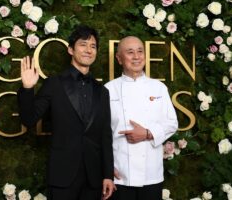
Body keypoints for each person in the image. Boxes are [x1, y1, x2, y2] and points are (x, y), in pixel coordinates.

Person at [17, 25, 114, 200]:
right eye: (83, 44)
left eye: (93, 46)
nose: (88, 50)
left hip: (94, 178)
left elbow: (105, 135)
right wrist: (27, 88)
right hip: (62, 175)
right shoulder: (54, 84)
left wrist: (108, 175)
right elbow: (28, 119)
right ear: (70, 49)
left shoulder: (102, 91)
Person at [105, 36, 178, 200]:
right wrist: (105, 168)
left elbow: (172, 123)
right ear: (119, 59)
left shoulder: (158, 88)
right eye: (130, 52)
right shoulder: (108, 90)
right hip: (119, 174)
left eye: (140, 51)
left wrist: (147, 133)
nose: (136, 57)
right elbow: (98, 133)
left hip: (151, 173)